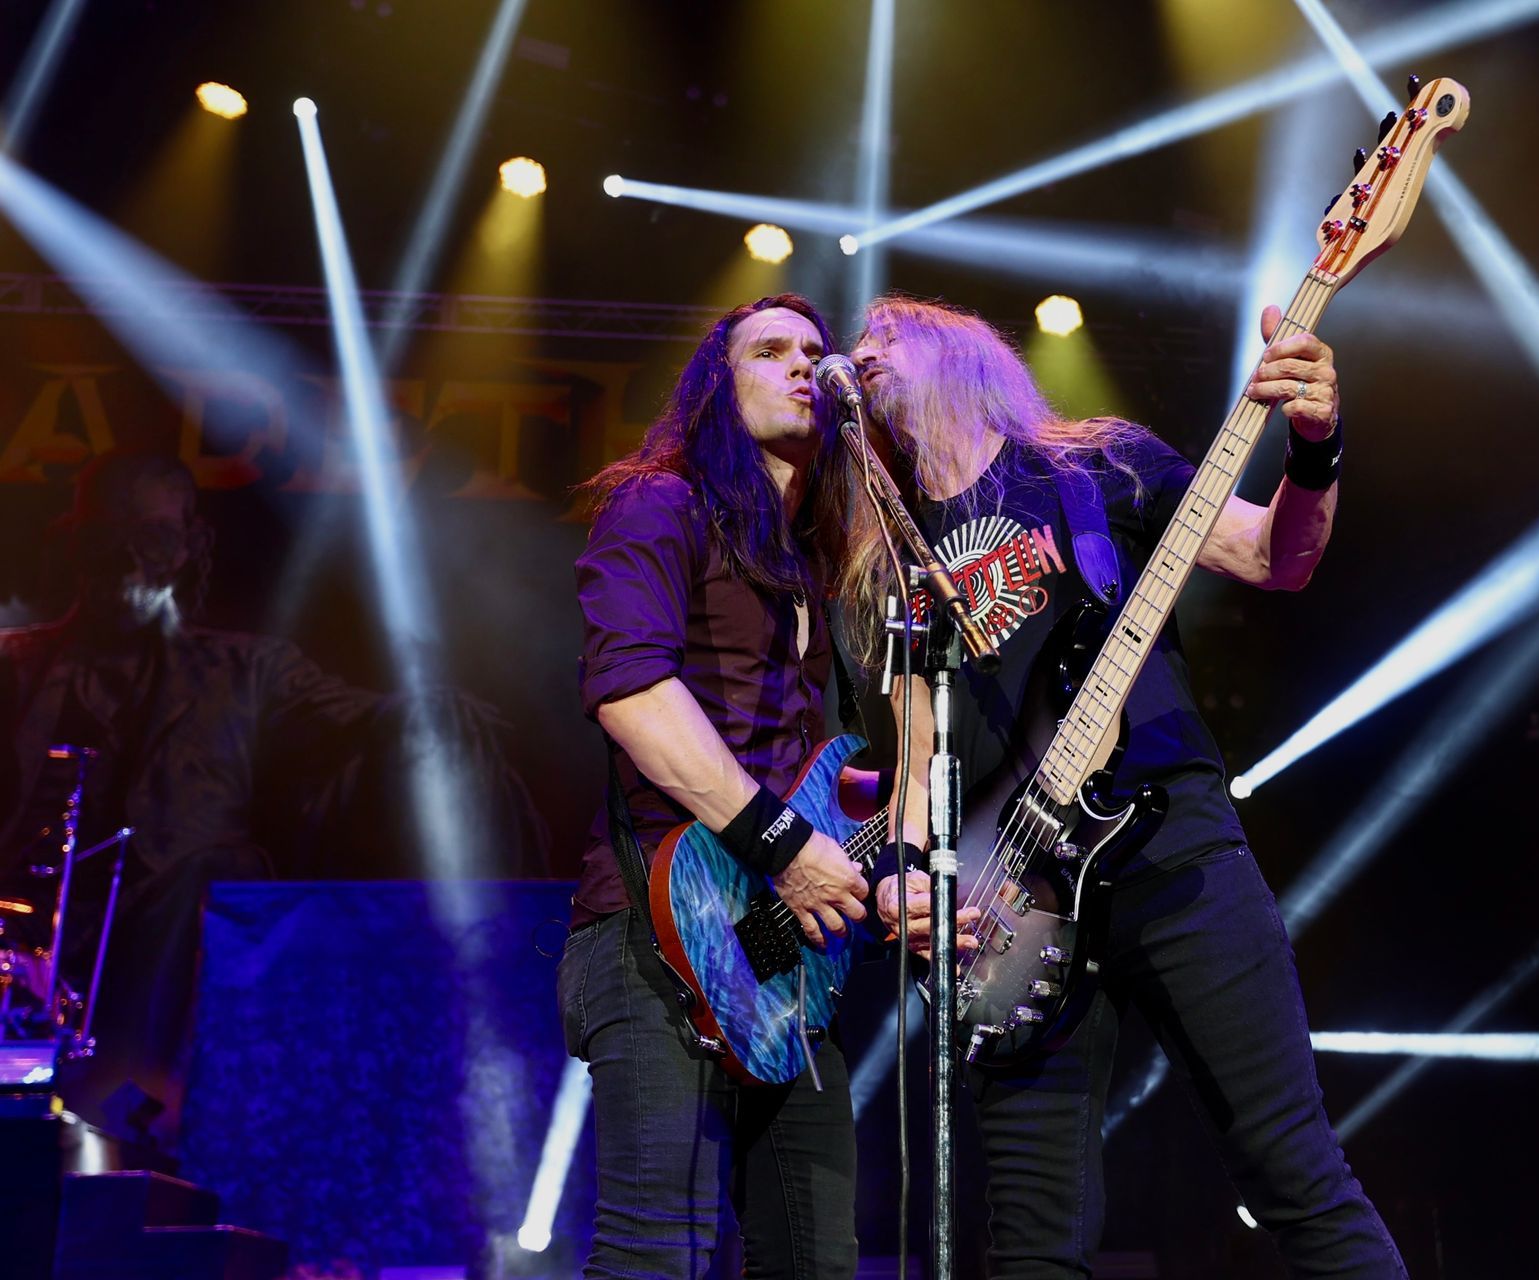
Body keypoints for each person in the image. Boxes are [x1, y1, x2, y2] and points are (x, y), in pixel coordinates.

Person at [846, 296, 1407, 1277]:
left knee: (1293, 1169)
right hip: (1008, 905)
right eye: (858, 340)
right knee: (1032, 1239)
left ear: (961, 350)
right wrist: (901, 877)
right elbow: (916, 759)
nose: (864, 349)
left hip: (1167, 848)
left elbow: (1274, 556)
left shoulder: (1094, 466)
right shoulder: (888, 563)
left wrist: (1315, 444)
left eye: (888, 332)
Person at [0, 450, 544, 1148]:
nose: (127, 558)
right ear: (75, 542)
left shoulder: (248, 668)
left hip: (171, 929)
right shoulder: (14, 664)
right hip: (25, 930)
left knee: (215, 870)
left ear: (188, 547)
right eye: (108, 536)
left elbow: (355, 718)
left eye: (153, 537)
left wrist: (427, 715)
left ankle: (145, 1114)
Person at [562, 293, 873, 1278]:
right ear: (716, 385)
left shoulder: (822, 557)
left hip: (782, 957)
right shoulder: (660, 502)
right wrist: (786, 847)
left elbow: (826, 771)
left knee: (819, 1260)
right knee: (658, 1253)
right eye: (771, 350)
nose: (803, 365)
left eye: (815, 350)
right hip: (657, 931)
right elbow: (632, 694)